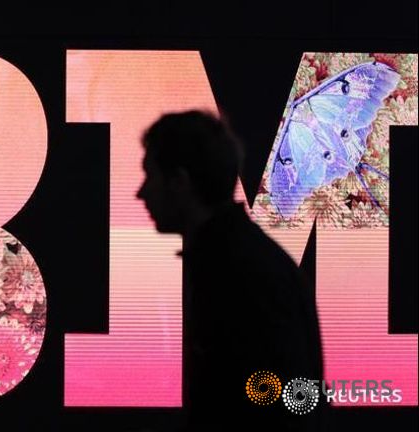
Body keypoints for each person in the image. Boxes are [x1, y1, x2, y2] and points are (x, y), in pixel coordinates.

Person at [136, 110, 325, 431]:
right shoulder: (235, 258)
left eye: (150, 175)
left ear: (181, 183)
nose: (141, 192)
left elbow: (287, 398)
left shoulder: (238, 269)